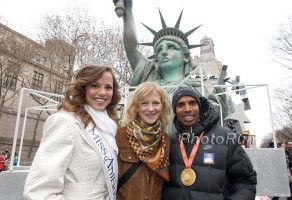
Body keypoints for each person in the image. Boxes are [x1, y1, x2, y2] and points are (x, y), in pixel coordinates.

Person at [113, 0, 228, 120]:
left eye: (171, 47)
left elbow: (215, 120)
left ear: (184, 56)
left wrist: (219, 100)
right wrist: (128, 13)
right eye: (159, 50)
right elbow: (132, 49)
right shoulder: (150, 79)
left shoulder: (199, 88)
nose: (163, 52)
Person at [24, 65, 121, 200]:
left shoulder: (108, 127)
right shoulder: (65, 121)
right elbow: (39, 191)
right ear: (82, 89)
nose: (103, 92)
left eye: (108, 87)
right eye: (95, 85)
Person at [161, 86, 257, 200]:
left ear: (200, 106)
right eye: (180, 105)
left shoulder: (225, 136)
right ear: (175, 110)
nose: (187, 109)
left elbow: (245, 180)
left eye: (192, 103)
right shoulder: (167, 140)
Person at [116, 82, 171, 200]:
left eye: (155, 103)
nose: (150, 109)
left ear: (162, 106)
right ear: (136, 107)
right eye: (144, 103)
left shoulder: (166, 140)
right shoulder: (119, 136)